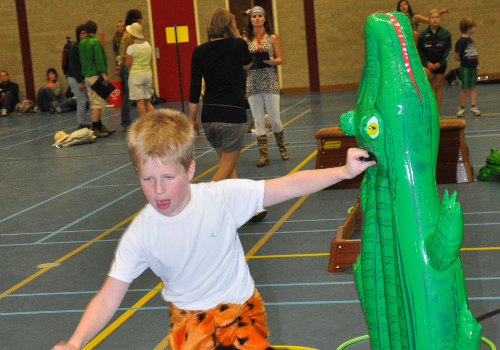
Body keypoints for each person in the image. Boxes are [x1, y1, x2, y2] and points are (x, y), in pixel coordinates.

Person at [51, 108, 376, 350]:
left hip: (240, 314)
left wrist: (343, 171)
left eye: (169, 178)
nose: (159, 191)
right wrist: (75, 342)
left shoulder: (219, 199)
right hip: (189, 324)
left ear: (190, 169)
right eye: (147, 179)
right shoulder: (141, 233)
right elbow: (109, 297)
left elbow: (288, 185)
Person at [189, 8, 252, 182]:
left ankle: (244, 208)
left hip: (210, 117)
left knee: (228, 167)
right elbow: (248, 64)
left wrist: (192, 118)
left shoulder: (199, 51)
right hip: (233, 114)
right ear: (230, 26)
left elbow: (194, 88)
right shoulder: (239, 45)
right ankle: (204, 201)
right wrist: (236, 31)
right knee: (225, 169)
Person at [245, 6, 289, 167]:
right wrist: (247, 65)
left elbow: (280, 59)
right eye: (253, 16)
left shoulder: (272, 38)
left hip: (270, 81)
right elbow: (242, 64)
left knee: (275, 119)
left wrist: (272, 61)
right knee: (258, 120)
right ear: (250, 20)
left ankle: (282, 147)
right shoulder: (245, 40)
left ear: (264, 19)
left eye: (259, 16)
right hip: (253, 82)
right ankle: (264, 155)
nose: (256, 18)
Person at [79, 20, 115, 137]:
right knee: (97, 104)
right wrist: (104, 73)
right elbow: (99, 59)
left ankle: (99, 125)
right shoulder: (95, 42)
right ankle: (95, 128)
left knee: (95, 101)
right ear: (95, 29)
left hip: (87, 77)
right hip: (95, 77)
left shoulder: (82, 43)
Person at [417, 9, 451, 110]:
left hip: (439, 65)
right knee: (423, 82)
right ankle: (426, 107)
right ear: (429, 19)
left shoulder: (445, 33)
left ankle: (437, 111)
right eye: (432, 17)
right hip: (427, 64)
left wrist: (440, 63)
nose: (435, 19)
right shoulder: (423, 34)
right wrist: (427, 63)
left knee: (437, 87)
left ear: (440, 19)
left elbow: (448, 50)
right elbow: (419, 51)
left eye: (437, 17)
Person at [115, 9, 143, 132]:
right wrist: (121, 68)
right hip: (128, 71)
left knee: (132, 97)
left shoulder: (133, 35)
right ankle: (125, 122)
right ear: (137, 20)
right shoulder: (128, 36)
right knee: (128, 97)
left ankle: (127, 121)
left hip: (133, 70)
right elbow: (123, 54)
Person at [124, 22, 154, 117]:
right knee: (147, 101)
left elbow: (128, 65)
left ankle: (144, 125)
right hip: (147, 74)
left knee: (140, 102)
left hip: (136, 76)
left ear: (132, 35)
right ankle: (155, 122)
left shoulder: (131, 48)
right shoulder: (148, 45)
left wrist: (125, 59)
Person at [66, 23, 91, 128]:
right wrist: (79, 82)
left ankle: (90, 120)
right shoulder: (75, 47)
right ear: (78, 35)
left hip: (84, 76)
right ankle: (82, 123)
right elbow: (74, 66)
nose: (85, 35)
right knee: (81, 101)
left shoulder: (86, 46)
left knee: (90, 100)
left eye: (86, 33)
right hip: (74, 77)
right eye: (83, 33)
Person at [455, 17, 480, 117]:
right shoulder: (461, 42)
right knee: (464, 89)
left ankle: (473, 107)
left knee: (472, 88)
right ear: (468, 28)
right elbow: (457, 56)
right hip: (465, 67)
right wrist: (464, 60)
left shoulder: (471, 40)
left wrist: (477, 66)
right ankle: (462, 108)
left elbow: (474, 53)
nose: (474, 29)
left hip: (473, 67)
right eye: (473, 27)